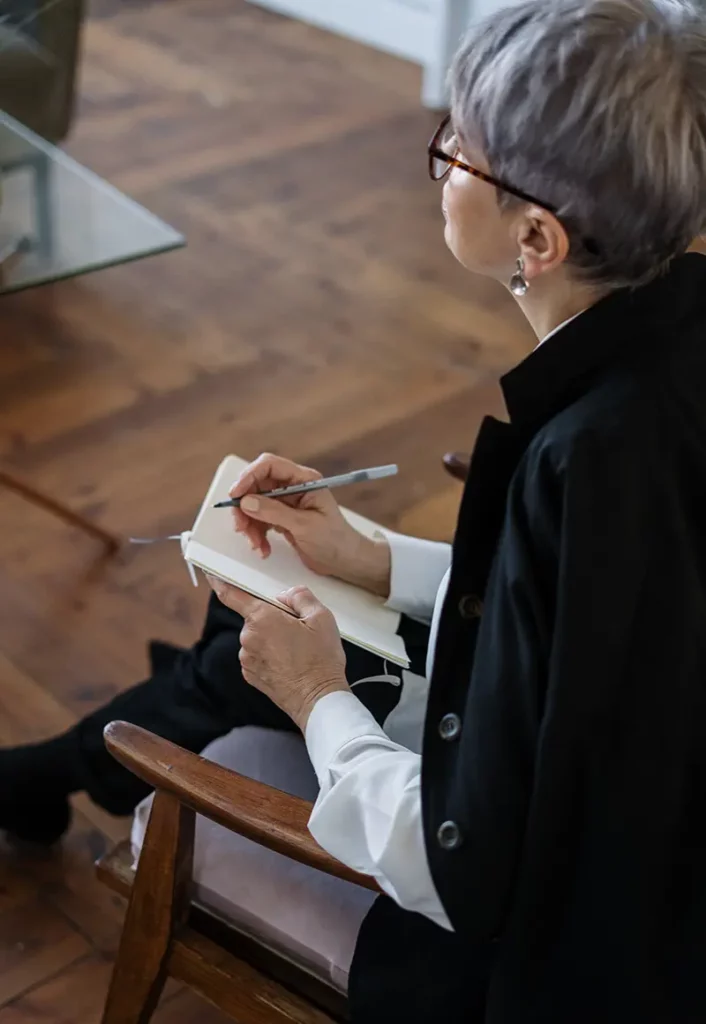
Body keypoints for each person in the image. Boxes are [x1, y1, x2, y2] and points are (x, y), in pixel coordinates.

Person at [4, 0, 706, 1018]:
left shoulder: (584, 466)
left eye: (458, 150)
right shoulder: (660, 362)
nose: (443, 161)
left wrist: (318, 702)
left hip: (517, 962)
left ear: (537, 237)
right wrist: (372, 561)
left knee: (273, 646)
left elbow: (455, 863)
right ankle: (64, 767)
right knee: (264, 611)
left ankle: (74, 766)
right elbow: (565, 619)